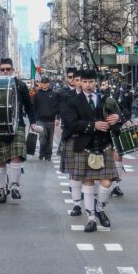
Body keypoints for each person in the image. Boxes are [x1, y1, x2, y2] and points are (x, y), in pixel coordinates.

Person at [61, 69, 120, 232]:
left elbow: (119, 118)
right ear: (81, 83)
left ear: (96, 83)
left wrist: (117, 119)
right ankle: (91, 218)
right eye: (84, 82)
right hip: (84, 145)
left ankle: (100, 208)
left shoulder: (105, 99)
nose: (87, 85)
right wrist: (92, 125)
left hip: (103, 145)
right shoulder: (73, 101)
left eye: (90, 82)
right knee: (87, 182)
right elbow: (71, 123)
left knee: (107, 182)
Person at [0, 58, 41, 203]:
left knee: (17, 156)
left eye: (8, 69)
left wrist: (32, 123)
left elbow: (29, 106)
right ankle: (1, 189)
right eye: (3, 69)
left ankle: (14, 187)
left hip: (16, 124)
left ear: (13, 69)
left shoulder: (20, 85)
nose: (5, 71)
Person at [58, 68, 85, 216]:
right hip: (72, 136)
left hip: (91, 138)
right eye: (78, 80)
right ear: (73, 82)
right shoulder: (67, 97)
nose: (81, 83)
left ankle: (93, 207)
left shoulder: (96, 97)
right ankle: (76, 204)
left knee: (89, 173)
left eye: (84, 80)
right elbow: (68, 118)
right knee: (74, 171)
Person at [32, 76, 60, 161]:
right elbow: (33, 107)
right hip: (40, 120)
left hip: (51, 120)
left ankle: (48, 156)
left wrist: (57, 118)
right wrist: (33, 120)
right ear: (40, 84)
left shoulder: (54, 94)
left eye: (46, 82)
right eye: (43, 83)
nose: (44, 84)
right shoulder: (36, 95)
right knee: (43, 136)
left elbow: (58, 107)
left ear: (49, 83)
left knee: (50, 140)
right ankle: (42, 152)